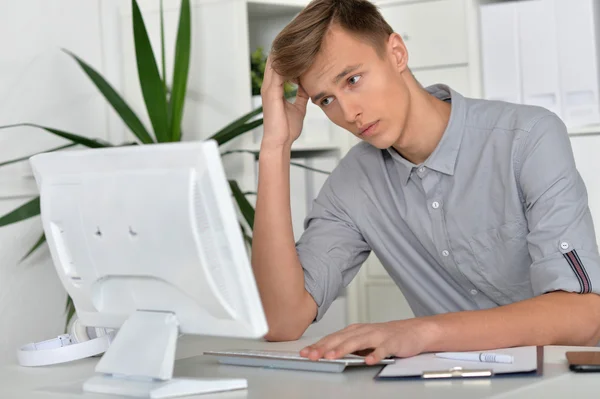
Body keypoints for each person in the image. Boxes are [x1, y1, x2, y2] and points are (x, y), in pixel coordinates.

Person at [251, 0, 600, 365]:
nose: (348, 113)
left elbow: (585, 316)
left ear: (397, 53)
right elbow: (281, 322)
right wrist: (276, 146)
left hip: (558, 381)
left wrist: (423, 333)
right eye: (327, 100)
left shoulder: (526, 138)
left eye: (353, 80)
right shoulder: (353, 184)